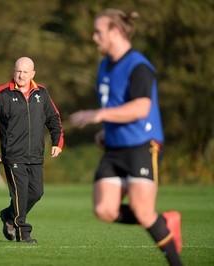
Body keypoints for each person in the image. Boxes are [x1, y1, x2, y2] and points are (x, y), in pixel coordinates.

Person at [70, 9, 183, 265]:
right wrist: (105, 131)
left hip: (142, 145)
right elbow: (118, 104)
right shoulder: (104, 65)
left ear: (116, 32)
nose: (93, 37)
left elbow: (141, 108)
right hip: (114, 147)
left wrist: (99, 115)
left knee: (143, 212)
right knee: (104, 210)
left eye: (98, 31)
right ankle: (164, 222)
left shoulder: (138, 65)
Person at [0, 57, 64, 243]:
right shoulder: (2, 94)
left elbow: (54, 119)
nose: (21, 75)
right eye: (18, 71)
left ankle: (9, 215)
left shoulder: (41, 93)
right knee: (20, 194)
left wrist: (57, 142)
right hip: (13, 155)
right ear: (14, 71)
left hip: (36, 154)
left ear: (32, 74)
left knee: (36, 192)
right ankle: (23, 232)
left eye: (25, 72)